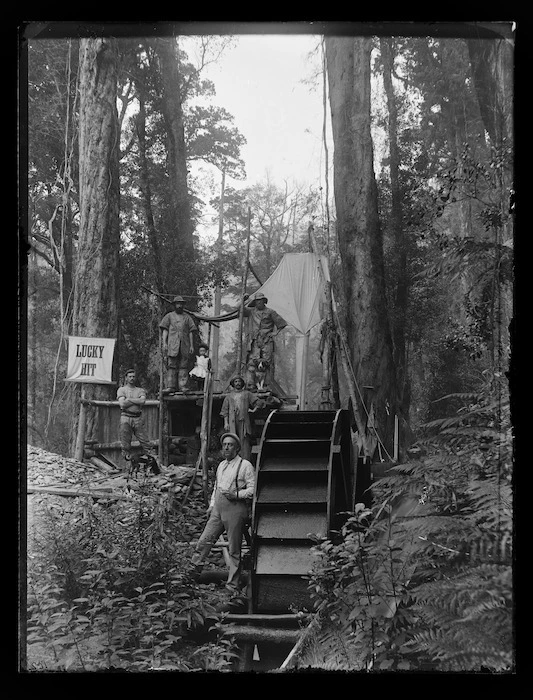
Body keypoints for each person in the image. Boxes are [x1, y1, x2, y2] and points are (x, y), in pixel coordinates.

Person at [190, 432, 255, 592]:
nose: (226, 447)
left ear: (237, 448)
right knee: (203, 542)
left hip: (235, 508)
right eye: (224, 444)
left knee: (234, 550)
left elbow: (253, 490)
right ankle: (190, 577)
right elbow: (217, 487)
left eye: (230, 445)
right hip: (218, 509)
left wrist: (237, 495)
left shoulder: (245, 465)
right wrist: (212, 505)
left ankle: (232, 586)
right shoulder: (221, 465)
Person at [243, 292, 287, 388]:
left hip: (266, 341)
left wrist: (275, 333)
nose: (259, 302)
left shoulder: (270, 312)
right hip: (254, 341)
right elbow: (239, 310)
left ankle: (266, 385)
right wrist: (243, 300)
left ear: (264, 301)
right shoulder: (251, 311)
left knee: (267, 362)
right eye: (257, 301)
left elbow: (282, 323)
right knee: (252, 363)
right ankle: (251, 384)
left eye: (261, 300)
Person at [159, 295, 197, 393]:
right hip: (172, 345)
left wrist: (192, 345)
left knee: (183, 366)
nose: (179, 306)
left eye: (181, 304)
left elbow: (191, 332)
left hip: (185, 345)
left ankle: (183, 386)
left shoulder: (187, 317)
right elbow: (165, 329)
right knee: (171, 365)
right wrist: (164, 343)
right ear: (174, 305)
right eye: (177, 304)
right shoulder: (169, 316)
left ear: (183, 305)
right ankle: (170, 386)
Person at [117, 368, 155, 463]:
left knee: (145, 442)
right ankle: (127, 466)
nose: (132, 378)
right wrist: (135, 401)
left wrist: (129, 399)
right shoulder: (122, 390)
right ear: (126, 378)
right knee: (125, 444)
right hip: (125, 417)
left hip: (138, 417)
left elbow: (142, 401)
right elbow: (122, 404)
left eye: (133, 376)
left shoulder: (140, 390)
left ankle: (154, 464)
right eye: (130, 377)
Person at [220, 376, 259, 461]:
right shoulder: (229, 396)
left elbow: (257, 402)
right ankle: (233, 460)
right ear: (233, 384)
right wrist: (226, 423)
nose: (237, 383)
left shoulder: (247, 394)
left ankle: (245, 461)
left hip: (244, 422)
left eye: (239, 381)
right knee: (232, 440)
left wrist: (253, 410)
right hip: (232, 422)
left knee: (244, 441)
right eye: (236, 382)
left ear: (242, 383)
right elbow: (224, 411)